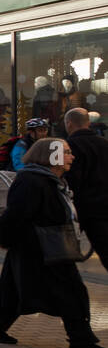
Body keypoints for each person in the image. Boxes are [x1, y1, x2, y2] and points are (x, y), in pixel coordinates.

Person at [0, 138, 107, 348]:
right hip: (41, 248)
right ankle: (82, 342)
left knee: (13, 288)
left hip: (45, 246)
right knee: (73, 292)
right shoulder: (32, 181)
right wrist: (5, 238)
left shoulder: (54, 181)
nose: (72, 156)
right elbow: (15, 215)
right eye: (67, 152)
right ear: (52, 156)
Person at [64, 107, 108, 274]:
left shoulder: (67, 146)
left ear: (69, 124)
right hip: (104, 206)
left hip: (81, 207)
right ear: (88, 123)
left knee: (62, 251)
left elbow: (65, 177)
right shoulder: (104, 143)